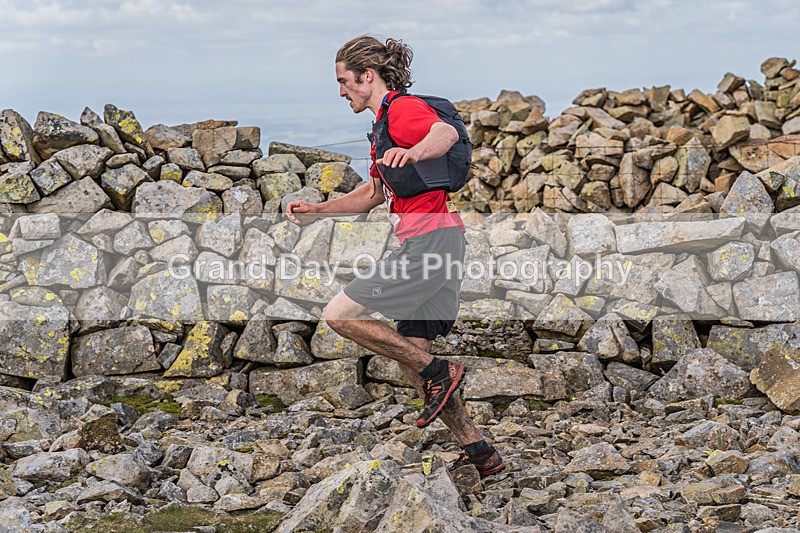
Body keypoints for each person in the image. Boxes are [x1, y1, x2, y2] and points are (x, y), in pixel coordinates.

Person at [286, 35, 504, 477]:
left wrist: (415, 150)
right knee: (412, 360)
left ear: (368, 77)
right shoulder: (381, 129)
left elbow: (443, 133)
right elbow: (370, 195)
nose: (341, 90)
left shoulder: (401, 110)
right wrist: (317, 211)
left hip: (430, 244)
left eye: (344, 81)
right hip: (441, 242)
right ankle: (481, 452)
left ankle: (441, 370)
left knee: (340, 315)